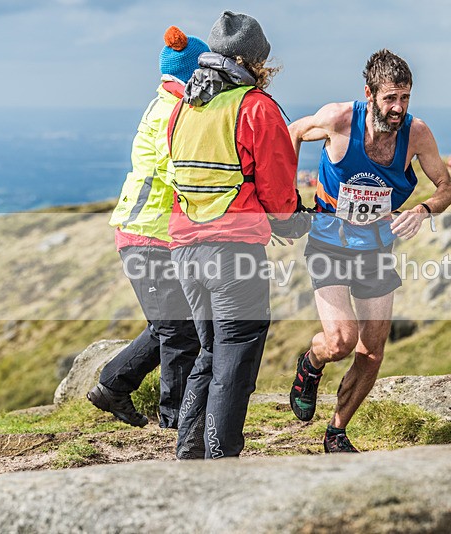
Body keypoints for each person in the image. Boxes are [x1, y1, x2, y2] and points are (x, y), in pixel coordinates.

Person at [288, 49, 451, 452]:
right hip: (328, 240)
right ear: (369, 93)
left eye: (405, 98)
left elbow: (447, 188)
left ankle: (336, 432)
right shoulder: (338, 119)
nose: (398, 108)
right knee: (341, 341)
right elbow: (292, 132)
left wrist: (423, 210)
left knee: (372, 351)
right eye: (390, 98)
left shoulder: (417, 134)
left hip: (376, 249)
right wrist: (287, 196)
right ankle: (311, 364)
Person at [167, 11, 298, 459]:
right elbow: (279, 197)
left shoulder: (183, 109)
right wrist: (290, 221)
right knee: (236, 355)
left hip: (184, 249)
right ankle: (221, 461)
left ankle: (188, 452)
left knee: (209, 350)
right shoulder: (255, 107)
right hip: (233, 253)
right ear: (252, 60)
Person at [87, 26, 206, 429]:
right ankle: (174, 419)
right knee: (178, 330)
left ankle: (113, 386)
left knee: (171, 325)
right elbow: (174, 168)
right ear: (192, 74)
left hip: (153, 235)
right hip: (147, 236)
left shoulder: (168, 105)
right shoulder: (169, 113)